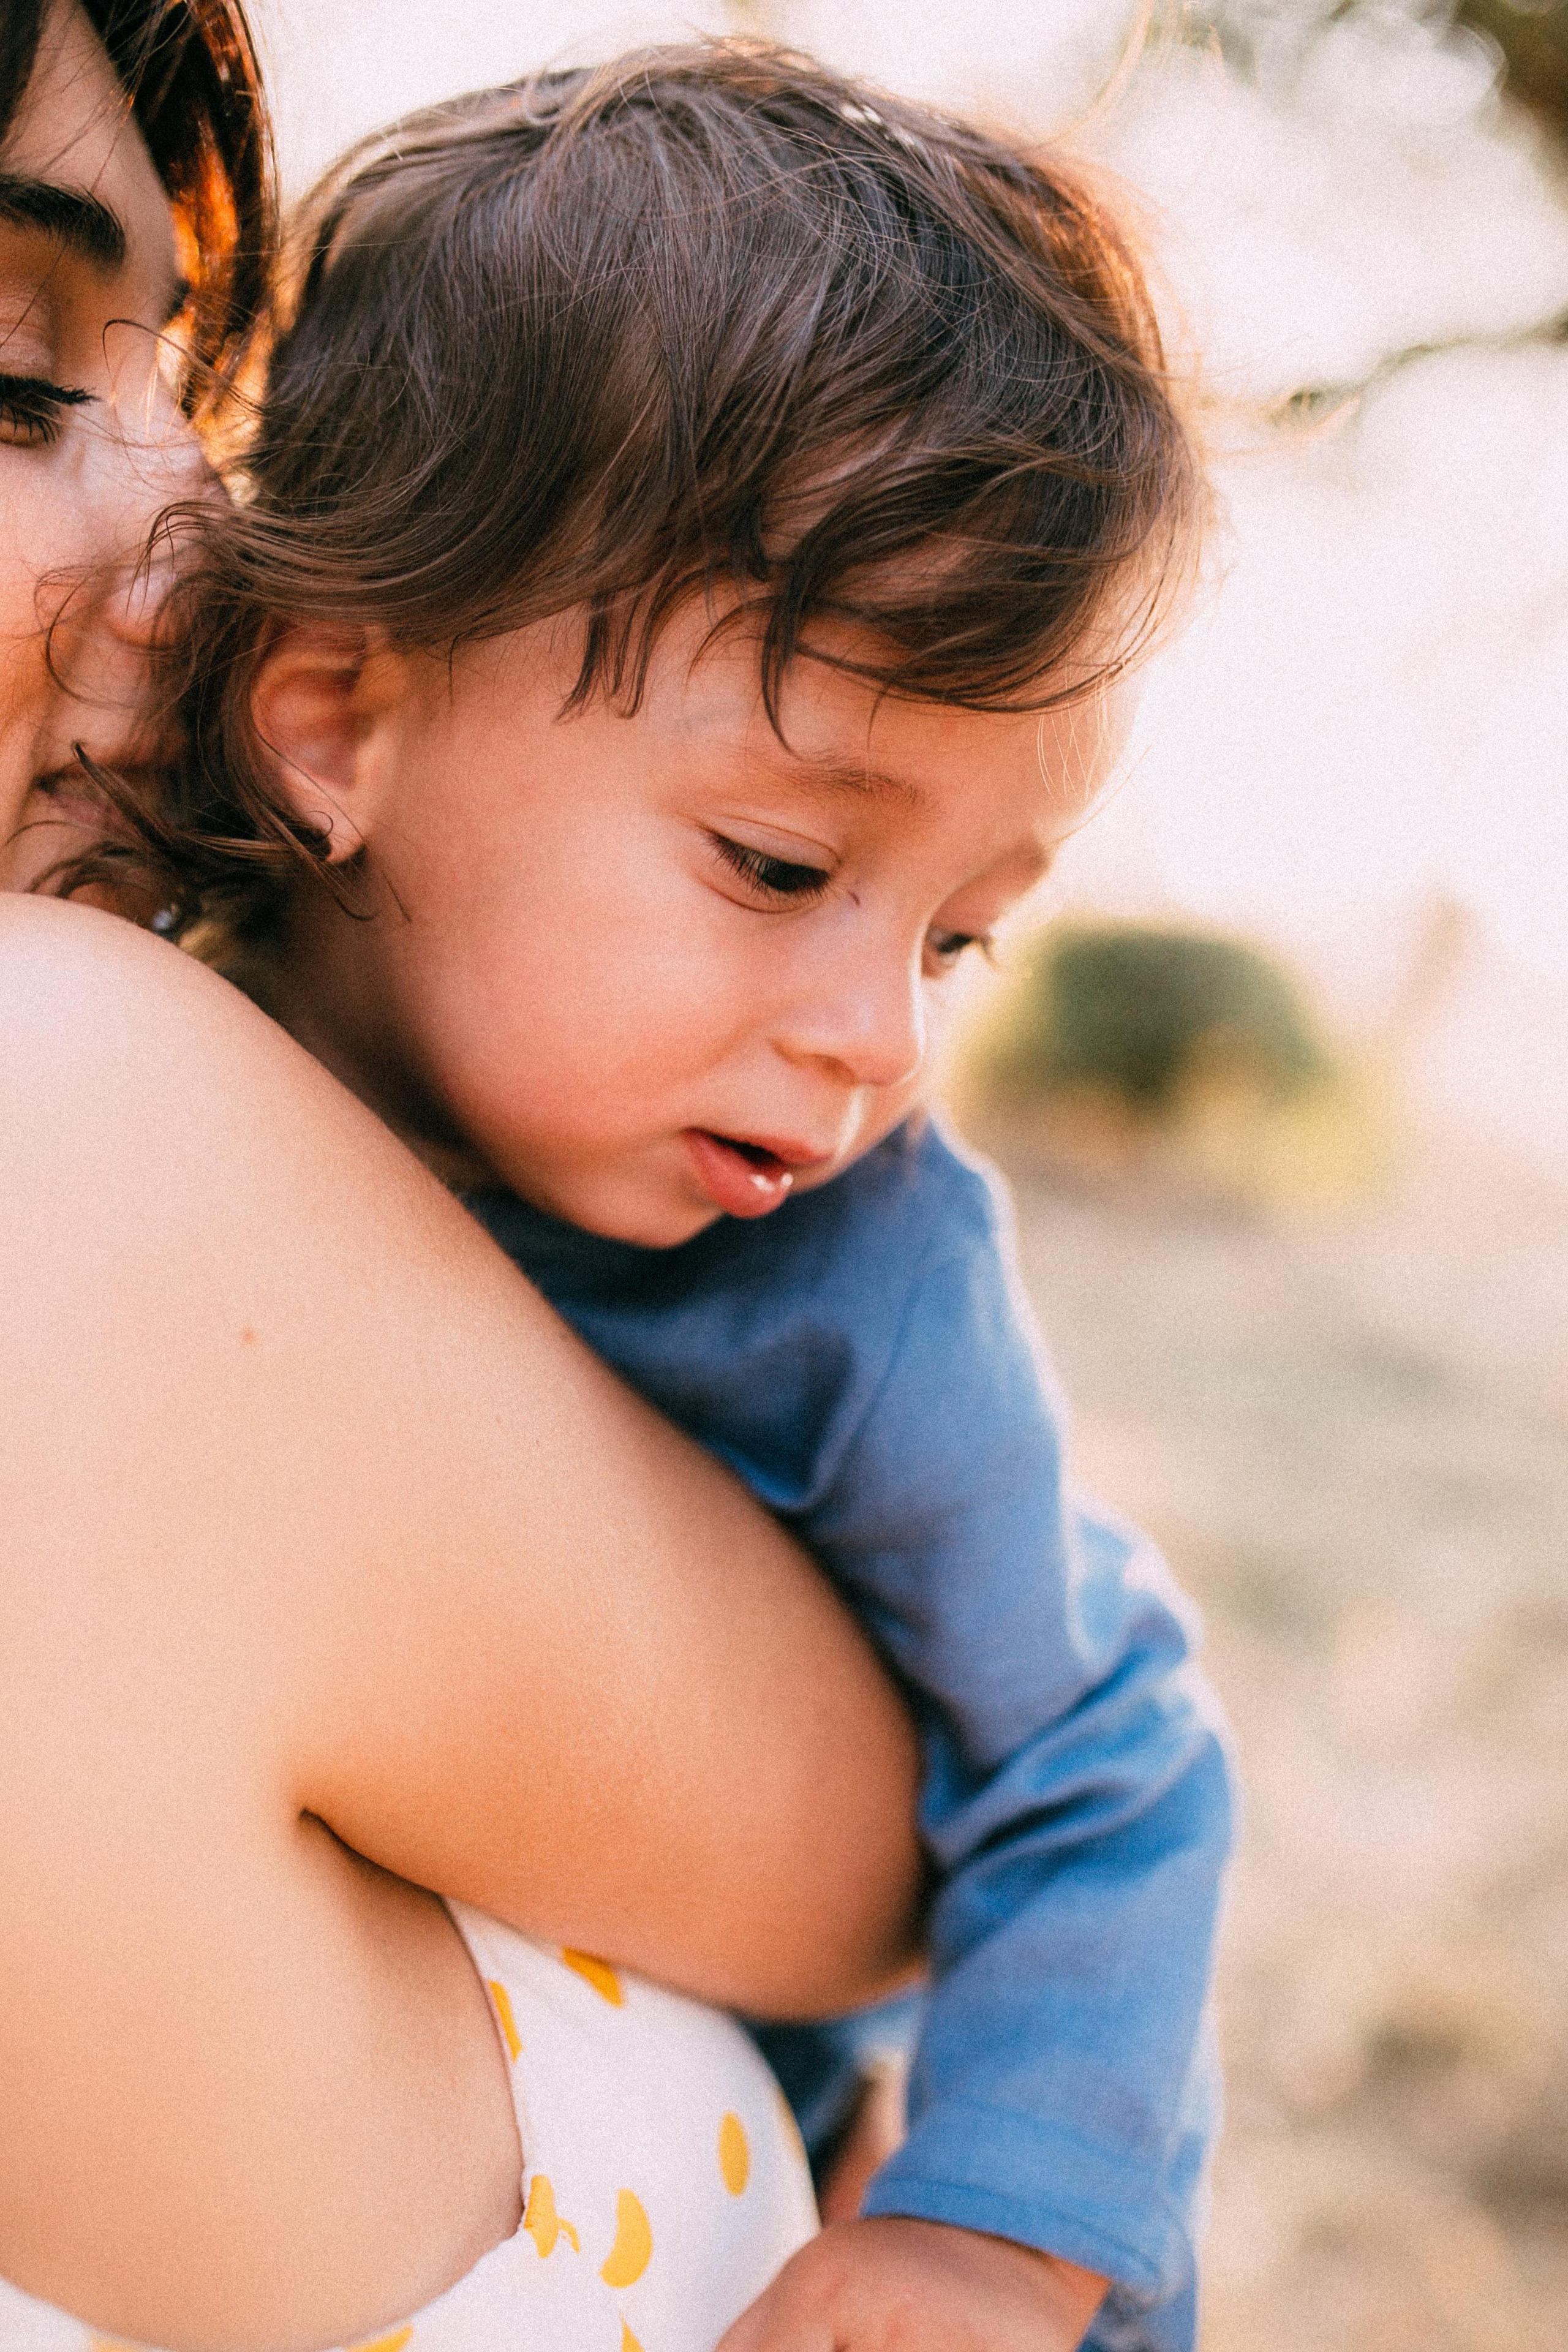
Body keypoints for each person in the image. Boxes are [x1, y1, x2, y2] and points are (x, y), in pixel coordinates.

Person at [85, 47, 1237, 2352]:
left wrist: (992, 2241)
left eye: (955, 937)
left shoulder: (864, 1281)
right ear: (337, 721)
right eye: (786, 867)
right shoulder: (132, 1051)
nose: (883, 1040)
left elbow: (1107, 1760)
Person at [0, 10, 925, 2349]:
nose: (203, 546)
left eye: (178, 369)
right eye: (10, 384)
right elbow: (903, 1844)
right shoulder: (50, 1136)